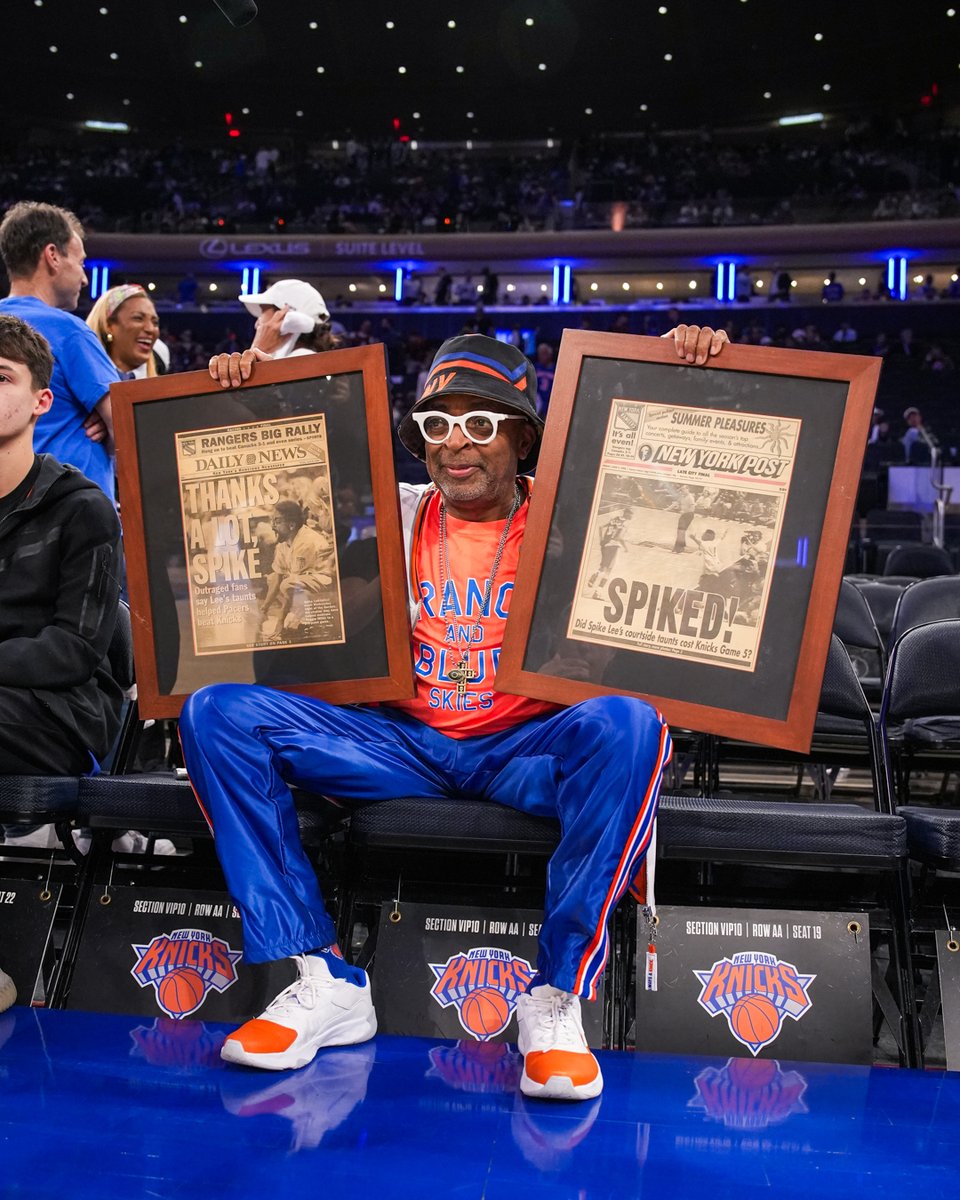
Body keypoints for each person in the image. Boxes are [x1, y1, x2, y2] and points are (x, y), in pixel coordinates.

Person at [179, 324, 728, 1100]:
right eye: (438, 425)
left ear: (522, 438)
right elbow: (275, 477)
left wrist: (696, 372)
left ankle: (556, 998)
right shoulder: (384, 513)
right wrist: (247, 388)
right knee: (215, 713)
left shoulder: (581, 517)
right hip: (399, 744)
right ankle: (323, 976)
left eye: (479, 423)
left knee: (633, 724)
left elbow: (688, 478)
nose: (455, 444)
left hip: (525, 746)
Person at [0, 315, 123, 840]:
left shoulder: (83, 508)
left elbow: (73, 650)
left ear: (41, 403)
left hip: (63, 712)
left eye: (2, 376)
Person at [0, 201, 119, 501]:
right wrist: (109, 433)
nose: (84, 278)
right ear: (52, 256)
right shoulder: (70, 332)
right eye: (80, 263)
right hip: (73, 525)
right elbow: (127, 432)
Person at [239, 279, 337, 360]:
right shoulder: (306, 360)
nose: (257, 324)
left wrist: (258, 350)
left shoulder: (302, 360)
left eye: (263, 312)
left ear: (287, 320)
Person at [85, 284, 162, 379]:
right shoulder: (79, 384)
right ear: (108, 325)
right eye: (138, 318)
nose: (150, 329)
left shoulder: (167, 391)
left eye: (155, 322)